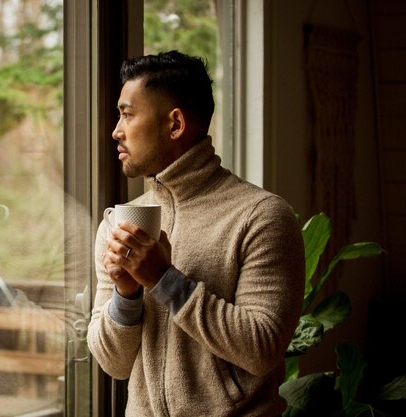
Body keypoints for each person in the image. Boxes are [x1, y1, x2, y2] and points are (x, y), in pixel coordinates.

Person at [87, 50, 305, 416]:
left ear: (175, 125)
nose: (116, 131)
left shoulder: (262, 216)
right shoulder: (119, 222)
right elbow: (114, 364)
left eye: (127, 114)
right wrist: (126, 294)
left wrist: (162, 279)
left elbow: (262, 348)